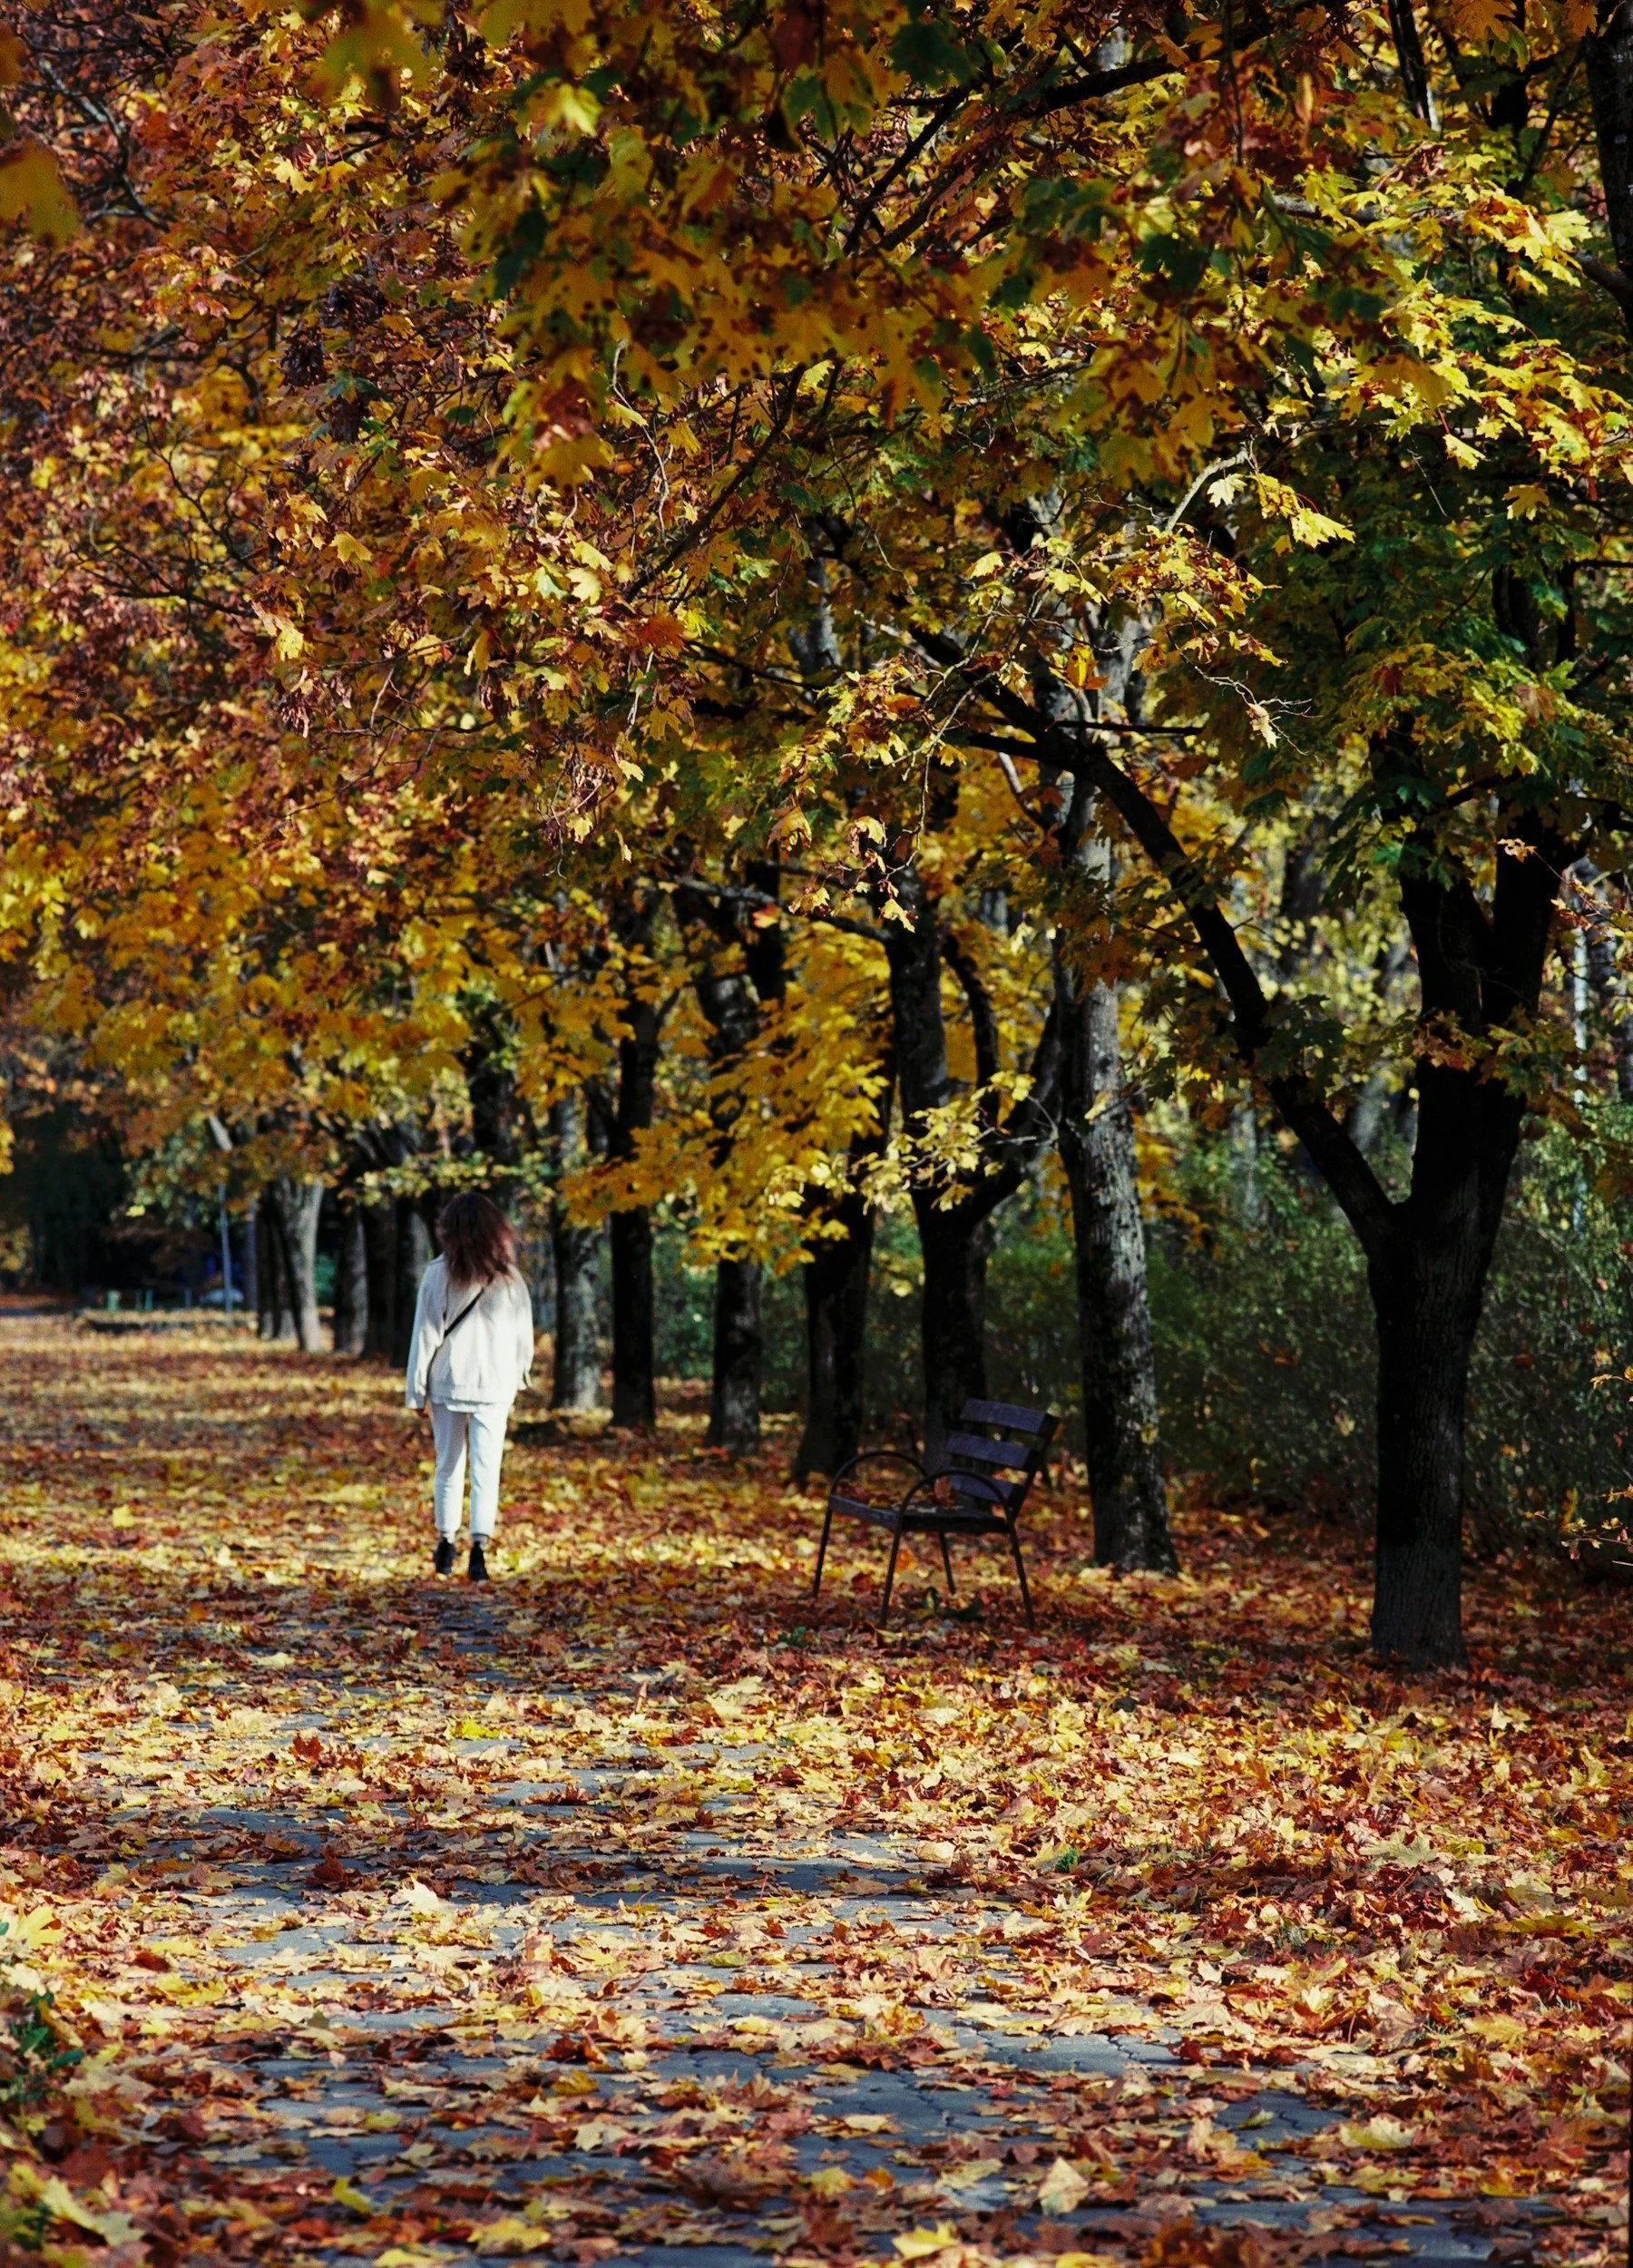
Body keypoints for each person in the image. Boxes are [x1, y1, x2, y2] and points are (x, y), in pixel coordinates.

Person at [406, 1193, 535, 1580]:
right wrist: (519, 1377)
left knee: (447, 1466)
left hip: (448, 1382)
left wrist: (416, 1391)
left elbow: (425, 1335)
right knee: (486, 1469)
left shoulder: (438, 1272)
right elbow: (522, 1335)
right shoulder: (509, 1277)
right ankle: (479, 1552)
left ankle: (446, 1543)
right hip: (494, 1387)